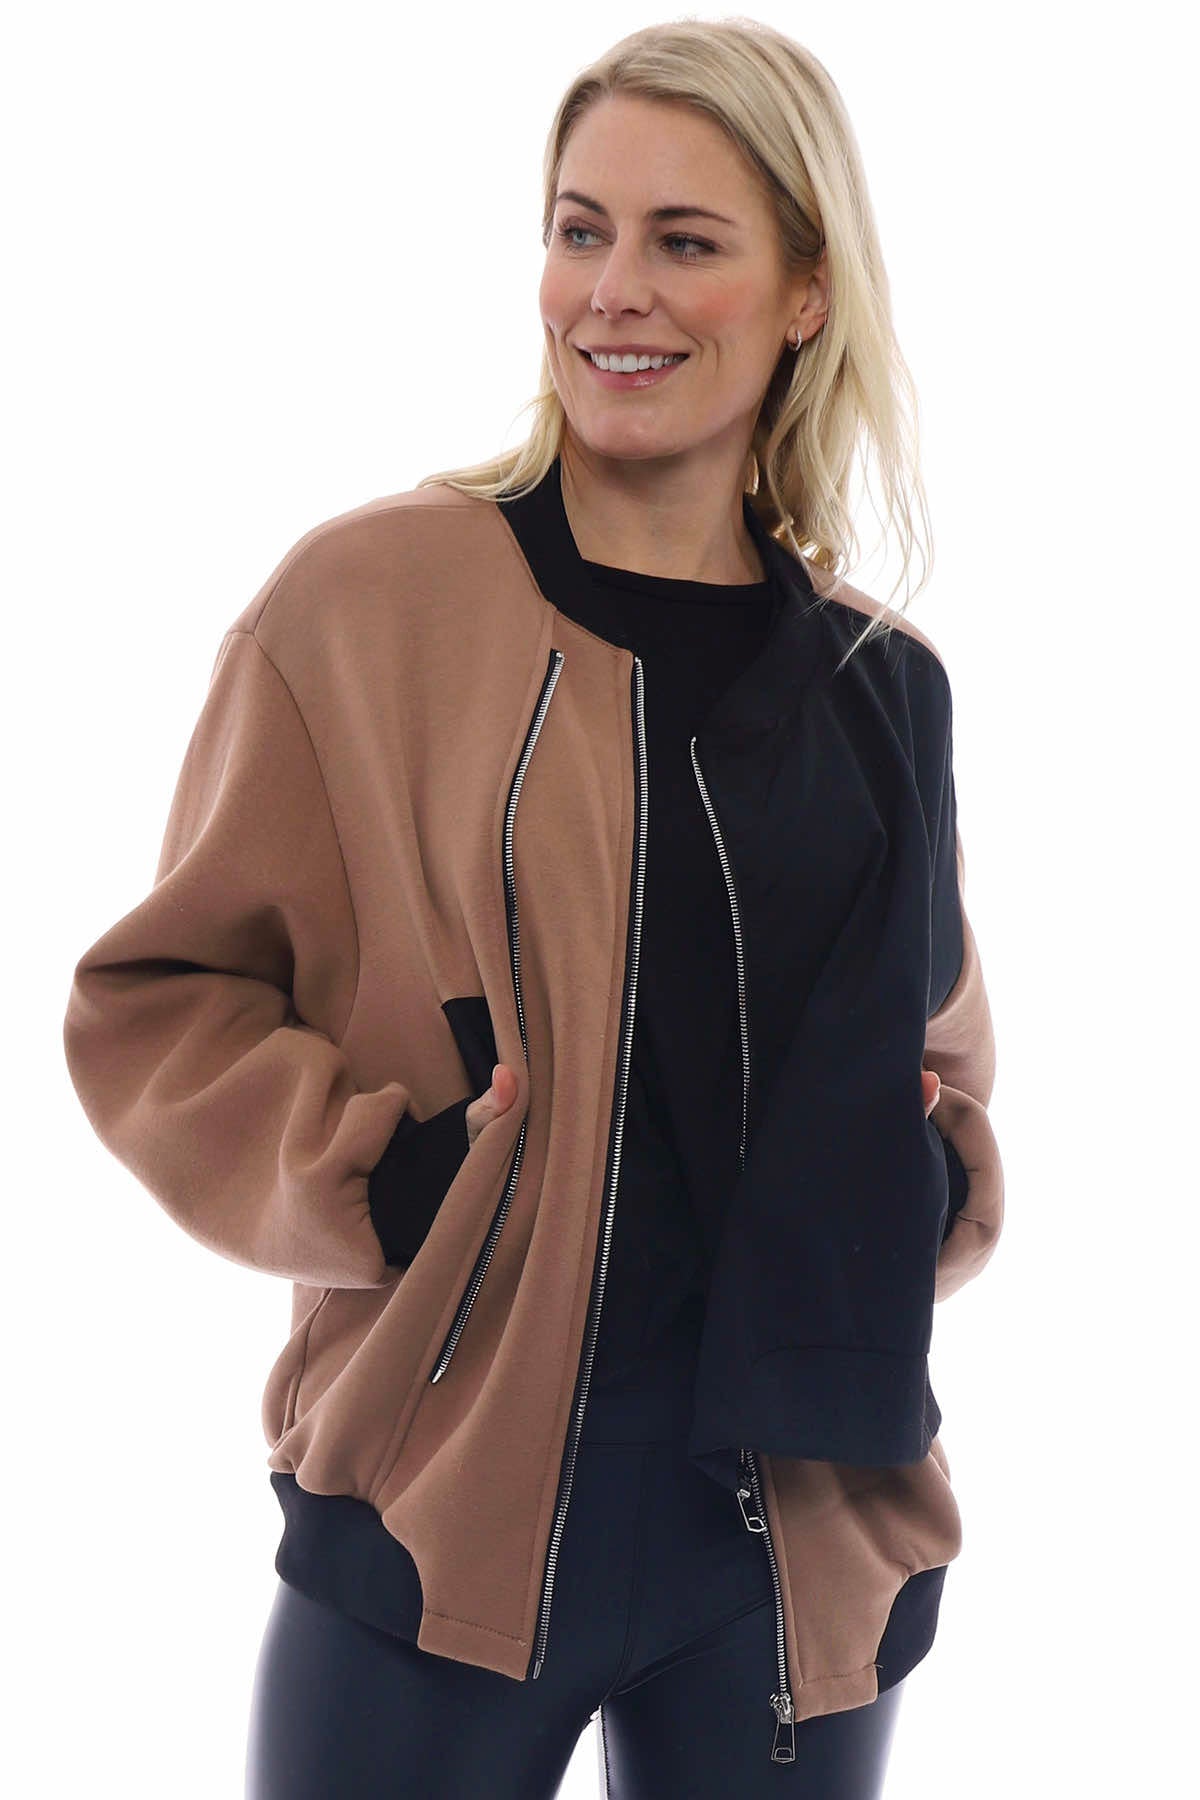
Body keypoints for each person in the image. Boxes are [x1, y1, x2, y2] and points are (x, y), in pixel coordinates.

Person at [61, 18, 1004, 1798]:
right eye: (581, 230)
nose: (612, 291)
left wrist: (935, 1182)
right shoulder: (371, 606)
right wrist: (384, 1179)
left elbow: (936, 1041)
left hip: (799, 1553)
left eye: (684, 240)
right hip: (445, 1516)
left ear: (807, 292)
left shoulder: (886, 688)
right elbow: (161, 999)